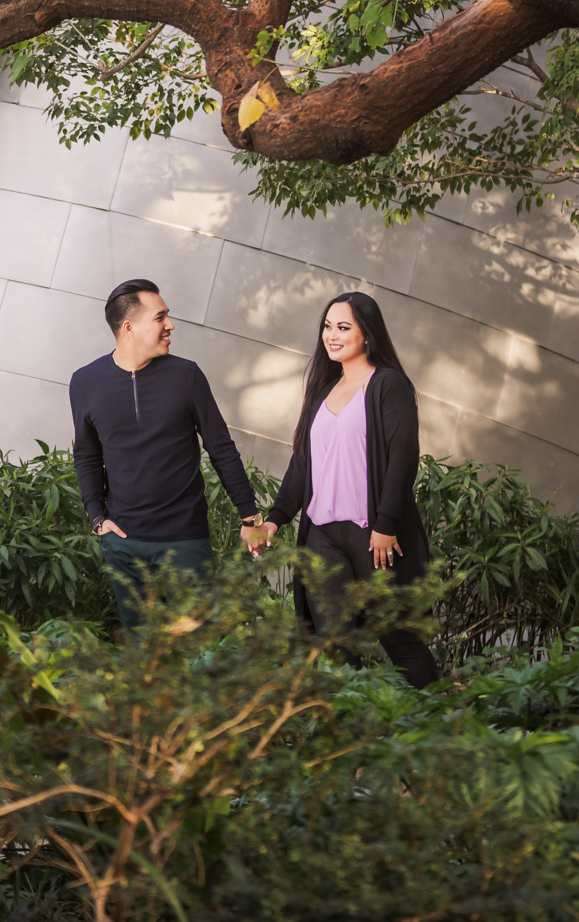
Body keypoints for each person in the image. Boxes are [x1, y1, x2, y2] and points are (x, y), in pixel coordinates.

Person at [246, 291, 440, 688]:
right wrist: (275, 521)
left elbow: (404, 456)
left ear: (367, 334)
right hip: (323, 537)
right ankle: (350, 735)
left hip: (374, 535)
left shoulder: (387, 384)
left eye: (343, 327)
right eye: (327, 326)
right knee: (333, 643)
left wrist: (386, 524)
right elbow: (302, 465)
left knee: (400, 637)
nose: (331, 335)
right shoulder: (322, 391)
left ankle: (444, 725)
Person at [70, 279, 266, 631]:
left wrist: (250, 517)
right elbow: (86, 455)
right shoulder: (85, 381)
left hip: (185, 541)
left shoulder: (186, 375)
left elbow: (220, 448)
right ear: (129, 327)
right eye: (160, 317)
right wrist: (98, 519)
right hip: (123, 544)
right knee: (145, 652)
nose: (170, 325)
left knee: (201, 647)